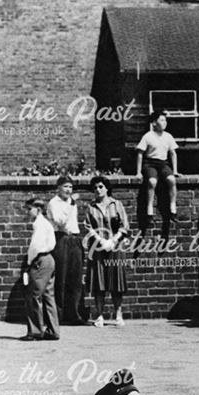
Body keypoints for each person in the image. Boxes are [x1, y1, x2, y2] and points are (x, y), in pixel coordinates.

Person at [84, 176, 130, 328]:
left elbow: (125, 226)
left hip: (115, 247)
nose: (98, 190)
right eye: (95, 187)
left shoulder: (116, 204)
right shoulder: (91, 207)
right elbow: (88, 227)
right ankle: (100, 315)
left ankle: (118, 313)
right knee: (99, 282)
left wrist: (113, 241)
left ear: (107, 188)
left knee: (116, 282)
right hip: (98, 249)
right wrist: (100, 240)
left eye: (101, 186)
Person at [46, 176, 85, 325]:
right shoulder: (53, 203)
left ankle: (74, 314)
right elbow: (60, 222)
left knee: (75, 278)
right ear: (58, 188)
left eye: (70, 187)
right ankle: (59, 315)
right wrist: (70, 204)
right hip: (61, 239)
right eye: (65, 186)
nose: (68, 190)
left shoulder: (71, 203)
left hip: (74, 239)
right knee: (61, 278)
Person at [21, 197, 60, 342]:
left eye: (29, 209)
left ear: (38, 210)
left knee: (33, 296)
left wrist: (30, 262)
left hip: (40, 260)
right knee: (48, 295)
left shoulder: (39, 224)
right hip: (49, 260)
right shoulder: (46, 224)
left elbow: (35, 247)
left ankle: (35, 331)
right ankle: (53, 330)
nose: (27, 212)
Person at [135, 110, 178, 220]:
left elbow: (173, 153)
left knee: (172, 180)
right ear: (154, 123)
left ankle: (173, 209)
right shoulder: (148, 136)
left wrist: (175, 170)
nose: (165, 123)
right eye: (162, 120)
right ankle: (150, 210)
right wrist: (139, 172)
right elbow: (140, 154)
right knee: (152, 181)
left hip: (163, 163)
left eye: (165, 120)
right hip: (150, 164)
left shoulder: (168, 136)